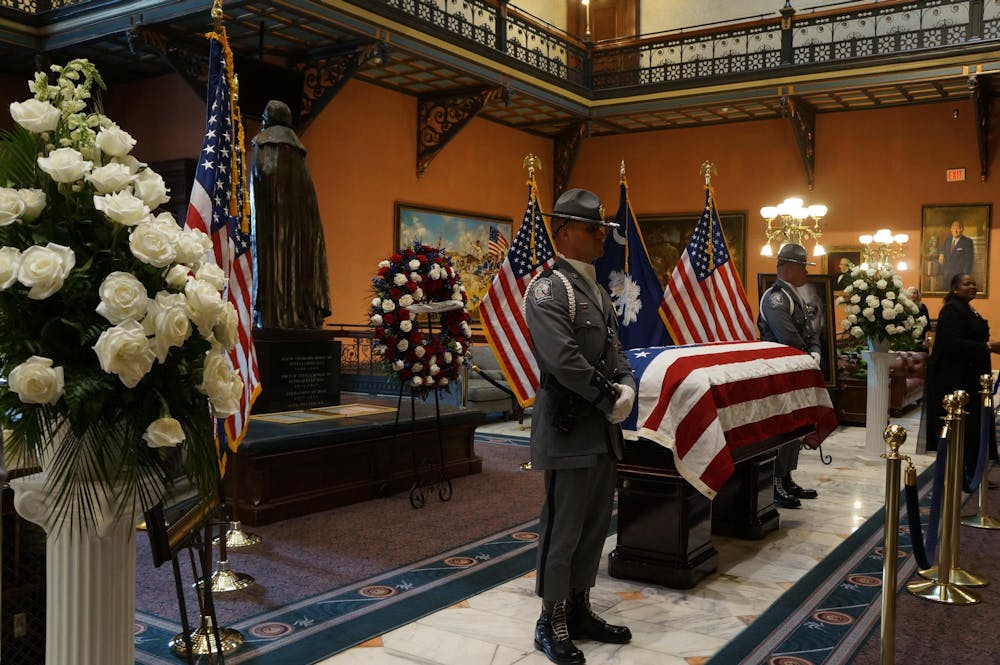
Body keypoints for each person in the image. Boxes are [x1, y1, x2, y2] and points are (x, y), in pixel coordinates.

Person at [525, 188, 635, 665]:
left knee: (593, 527)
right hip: (570, 427)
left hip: (600, 430)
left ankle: (579, 607)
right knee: (563, 527)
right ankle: (550, 620)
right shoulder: (550, 289)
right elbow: (563, 359)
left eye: (603, 230)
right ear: (565, 232)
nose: (601, 238)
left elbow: (616, 351)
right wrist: (609, 396)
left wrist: (627, 386)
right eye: (594, 230)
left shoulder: (593, 288)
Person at [251, 99, 331, 329]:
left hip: (272, 230)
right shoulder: (298, 156)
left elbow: (260, 190)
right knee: (298, 265)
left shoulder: (265, 147)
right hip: (300, 234)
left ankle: (275, 315)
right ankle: (300, 313)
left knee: (275, 262)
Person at [757, 243, 821, 509]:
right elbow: (788, 338)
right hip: (780, 373)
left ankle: (787, 476)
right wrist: (808, 354)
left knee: (797, 427)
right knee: (782, 429)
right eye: (803, 266)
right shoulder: (775, 298)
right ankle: (775, 483)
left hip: (797, 371)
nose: (806, 271)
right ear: (789, 267)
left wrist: (815, 352)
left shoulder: (795, 296)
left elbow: (812, 333)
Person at [924, 273, 999, 480]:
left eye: (974, 283)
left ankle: (972, 469)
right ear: (955, 288)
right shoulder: (952, 309)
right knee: (965, 424)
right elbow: (952, 344)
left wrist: (989, 346)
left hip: (969, 374)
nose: (972, 286)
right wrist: (987, 346)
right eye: (967, 284)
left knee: (974, 424)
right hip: (955, 378)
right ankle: (961, 471)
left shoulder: (967, 309)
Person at [937, 220, 974, 285]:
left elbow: (969, 261)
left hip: (959, 276)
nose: (955, 231)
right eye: (953, 228)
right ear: (951, 229)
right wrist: (941, 253)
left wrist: (964, 277)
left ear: (962, 229)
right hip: (946, 275)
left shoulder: (967, 242)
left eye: (958, 228)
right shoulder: (948, 240)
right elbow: (943, 249)